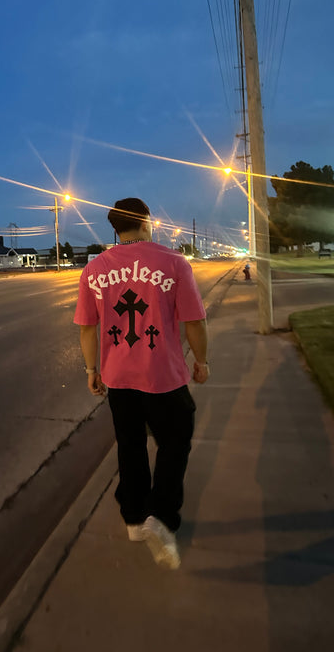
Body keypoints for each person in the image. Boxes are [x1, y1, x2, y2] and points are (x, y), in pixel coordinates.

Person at [74, 197, 209, 569]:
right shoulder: (173, 263)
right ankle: (161, 517)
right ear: (147, 221)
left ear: (115, 229)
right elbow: (194, 322)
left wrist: (91, 370)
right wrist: (201, 360)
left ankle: (134, 517)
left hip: (119, 380)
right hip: (164, 377)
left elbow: (87, 328)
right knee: (175, 442)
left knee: (130, 446)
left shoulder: (94, 270)